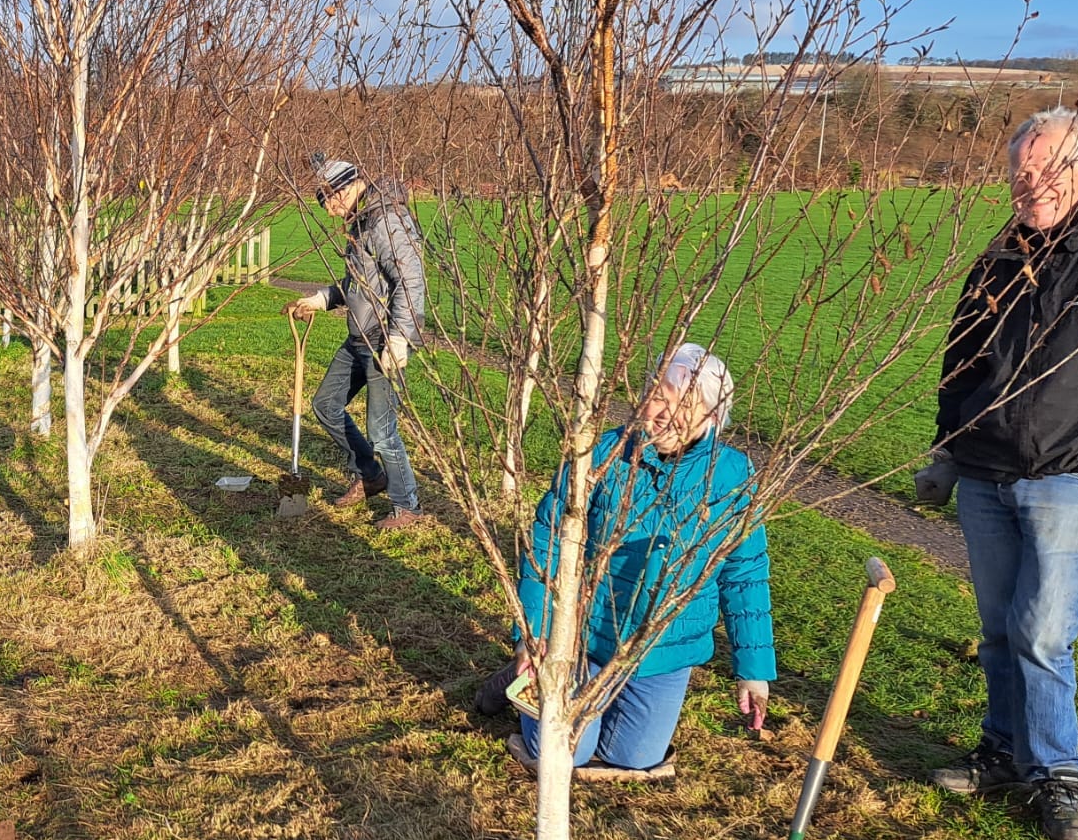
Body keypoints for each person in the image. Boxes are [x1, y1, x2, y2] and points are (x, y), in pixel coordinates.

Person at [925, 107, 1078, 840]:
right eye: (1022, 172)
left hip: (1075, 474)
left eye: (1052, 169)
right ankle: (1003, 751)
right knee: (999, 630)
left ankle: (1059, 774)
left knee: (1041, 632)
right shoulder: (1000, 256)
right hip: (985, 471)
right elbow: (959, 359)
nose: (1034, 184)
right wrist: (945, 449)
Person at [486, 345, 775, 782]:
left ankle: (594, 703)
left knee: (636, 757)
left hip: (664, 649)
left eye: (685, 405)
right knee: (566, 752)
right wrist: (536, 633)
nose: (664, 413)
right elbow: (547, 541)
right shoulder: (602, 456)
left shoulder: (733, 477)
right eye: (658, 396)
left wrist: (752, 671)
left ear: (712, 417)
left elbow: (744, 574)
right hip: (585, 638)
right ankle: (533, 683)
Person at [283, 155, 429, 531]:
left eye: (327, 200)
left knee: (382, 429)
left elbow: (411, 282)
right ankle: (370, 474)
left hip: (384, 337)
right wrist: (320, 299)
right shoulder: (361, 223)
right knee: (325, 405)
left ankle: (407, 505)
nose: (328, 209)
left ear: (346, 188)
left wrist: (399, 338)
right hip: (358, 337)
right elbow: (358, 285)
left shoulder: (387, 221)